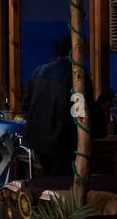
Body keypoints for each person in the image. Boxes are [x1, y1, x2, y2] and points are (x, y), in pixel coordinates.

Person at [24, 37, 81, 176]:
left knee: (47, 184)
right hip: (61, 142)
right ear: (77, 51)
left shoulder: (39, 71)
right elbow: (80, 112)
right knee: (62, 186)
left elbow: (26, 104)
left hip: (37, 140)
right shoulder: (76, 77)